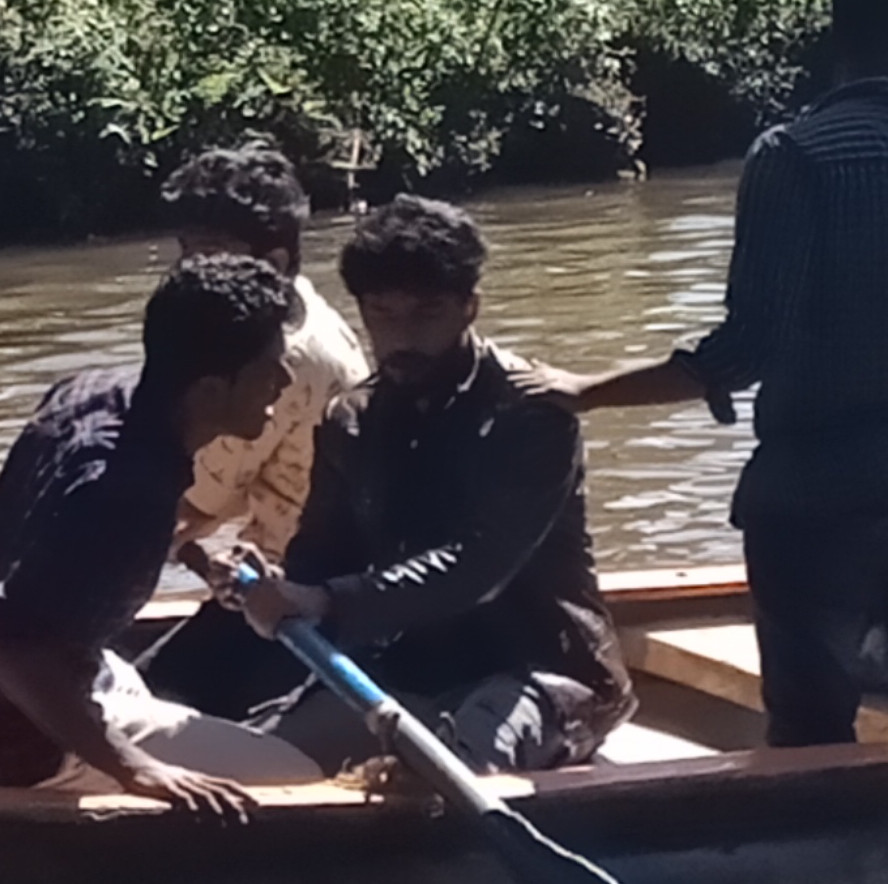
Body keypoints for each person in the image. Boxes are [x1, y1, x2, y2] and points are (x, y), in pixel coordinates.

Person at [536, 0, 888, 747]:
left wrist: (587, 391)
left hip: (815, 491)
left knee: (810, 721)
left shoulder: (791, 157)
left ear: (839, 39)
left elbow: (748, 349)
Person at [0, 255, 330, 812]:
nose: (285, 381)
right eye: (268, 369)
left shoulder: (93, 393)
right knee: (297, 780)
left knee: (164, 697)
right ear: (209, 392)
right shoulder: (123, 495)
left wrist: (205, 560)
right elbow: (1, 645)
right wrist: (136, 770)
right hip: (0, 740)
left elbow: (60, 541)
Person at [223, 197, 634, 774]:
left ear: (470, 308)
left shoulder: (532, 412)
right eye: (382, 314)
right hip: (412, 667)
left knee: (468, 756)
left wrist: (327, 600)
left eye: (426, 314)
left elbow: (478, 566)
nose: (402, 336)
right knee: (248, 758)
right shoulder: (352, 418)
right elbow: (320, 558)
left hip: (541, 670)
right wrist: (271, 586)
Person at [159, 143, 374, 561]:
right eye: (185, 252)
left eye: (208, 255)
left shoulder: (274, 366)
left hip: (299, 573)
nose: (188, 272)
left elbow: (194, 511)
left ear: (273, 262)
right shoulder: (296, 303)